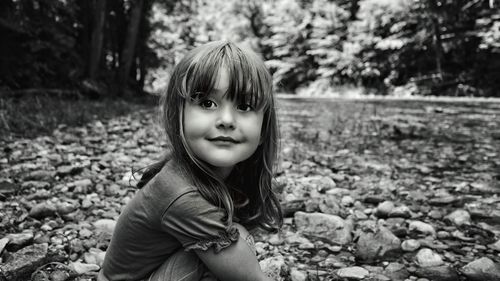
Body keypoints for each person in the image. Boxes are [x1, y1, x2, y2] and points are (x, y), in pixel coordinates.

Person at [98, 41, 283, 281]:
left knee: (231, 238)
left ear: (263, 130)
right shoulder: (181, 195)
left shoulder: (203, 174)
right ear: (179, 117)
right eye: (207, 103)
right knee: (235, 238)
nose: (226, 120)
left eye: (245, 105)